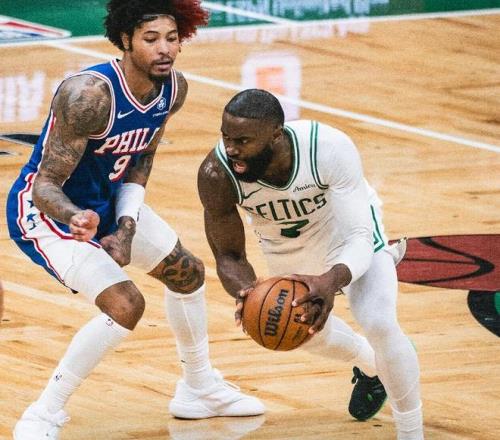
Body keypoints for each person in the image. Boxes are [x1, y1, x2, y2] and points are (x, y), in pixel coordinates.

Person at [6, 2, 264, 439]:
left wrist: (124, 228)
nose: (165, 49)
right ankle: (42, 413)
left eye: (172, 38)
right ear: (125, 40)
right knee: (125, 304)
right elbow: (44, 185)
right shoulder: (88, 96)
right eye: (151, 39)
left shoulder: (172, 89)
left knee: (188, 274)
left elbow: (140, 160)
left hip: (107, 204)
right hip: (49, 213)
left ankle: (198, 388)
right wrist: (77, 217)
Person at [198, 89, 423, 440]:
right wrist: (247, 292)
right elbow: (229, 256)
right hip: (284, 245)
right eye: (226, 137)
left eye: (243, 141)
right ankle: (373, 365)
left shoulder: (327, 147)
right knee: (297, 333)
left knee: (379, 322)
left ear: (276, 134)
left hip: (344, 231)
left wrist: (330, 281)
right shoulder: (217, 173)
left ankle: (411, 432)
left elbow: (359, 237)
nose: (231, 149)